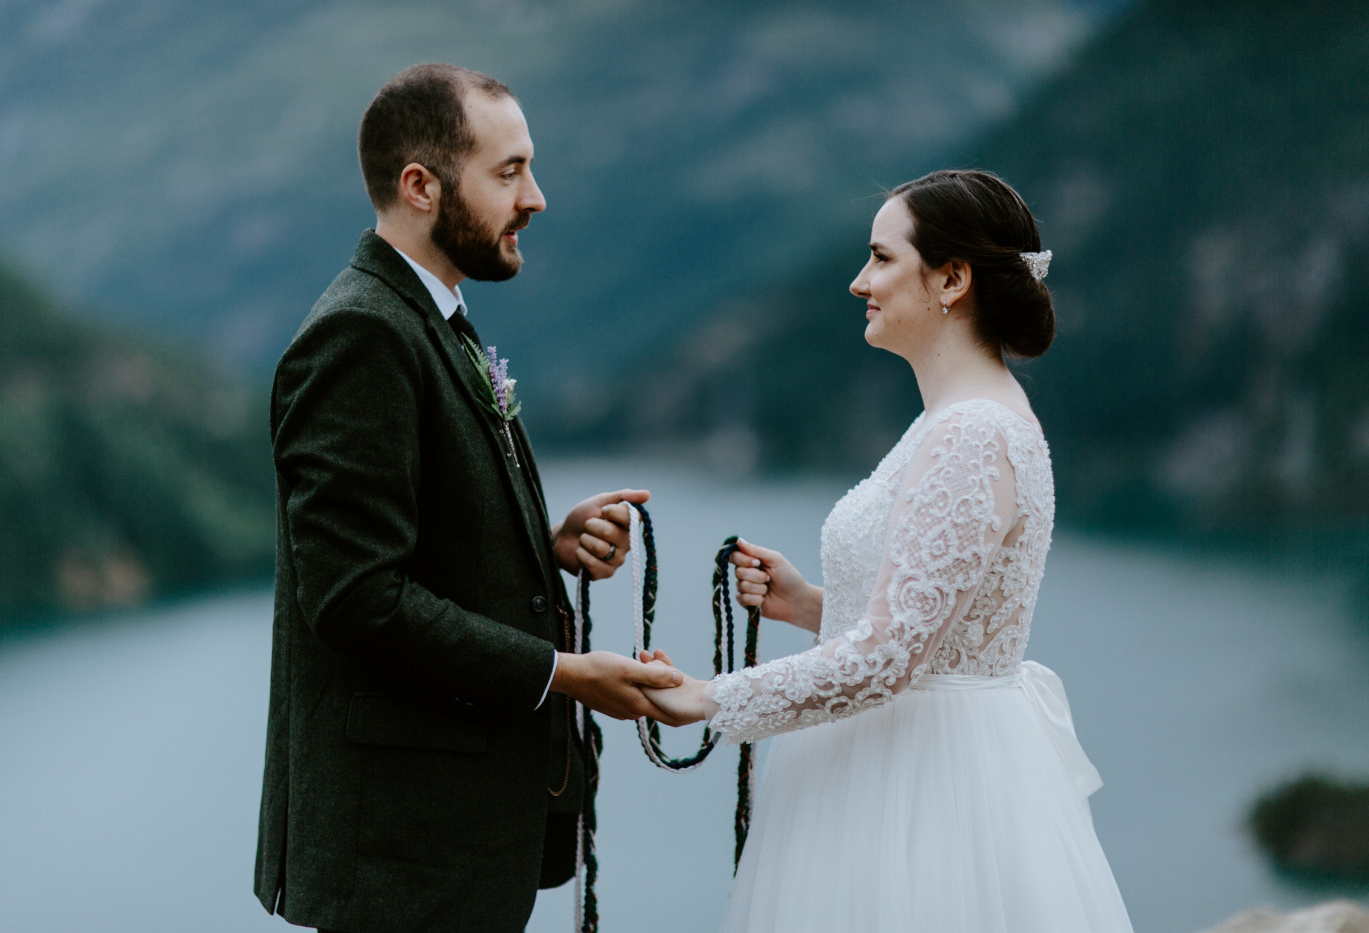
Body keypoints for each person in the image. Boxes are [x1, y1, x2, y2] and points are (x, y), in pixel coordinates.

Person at [253, 63, 683, 933]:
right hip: (402, 860)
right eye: (510, 171)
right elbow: (357, 599)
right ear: (421, 185)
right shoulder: (360, 333)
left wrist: (541, 541)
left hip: (445, 848)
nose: (538, 198)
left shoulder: (424, 315)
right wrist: (568, 674)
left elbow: (417, 534)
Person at [644, 170, 1134, 931]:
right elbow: (933, 624)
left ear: (952, 278)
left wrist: (709, 697)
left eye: (880, 258)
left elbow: (887, 660)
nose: (857, 281)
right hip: (927, 760)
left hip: (924, 790)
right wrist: (812, 605)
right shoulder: (963, 416)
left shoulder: (970, 432)